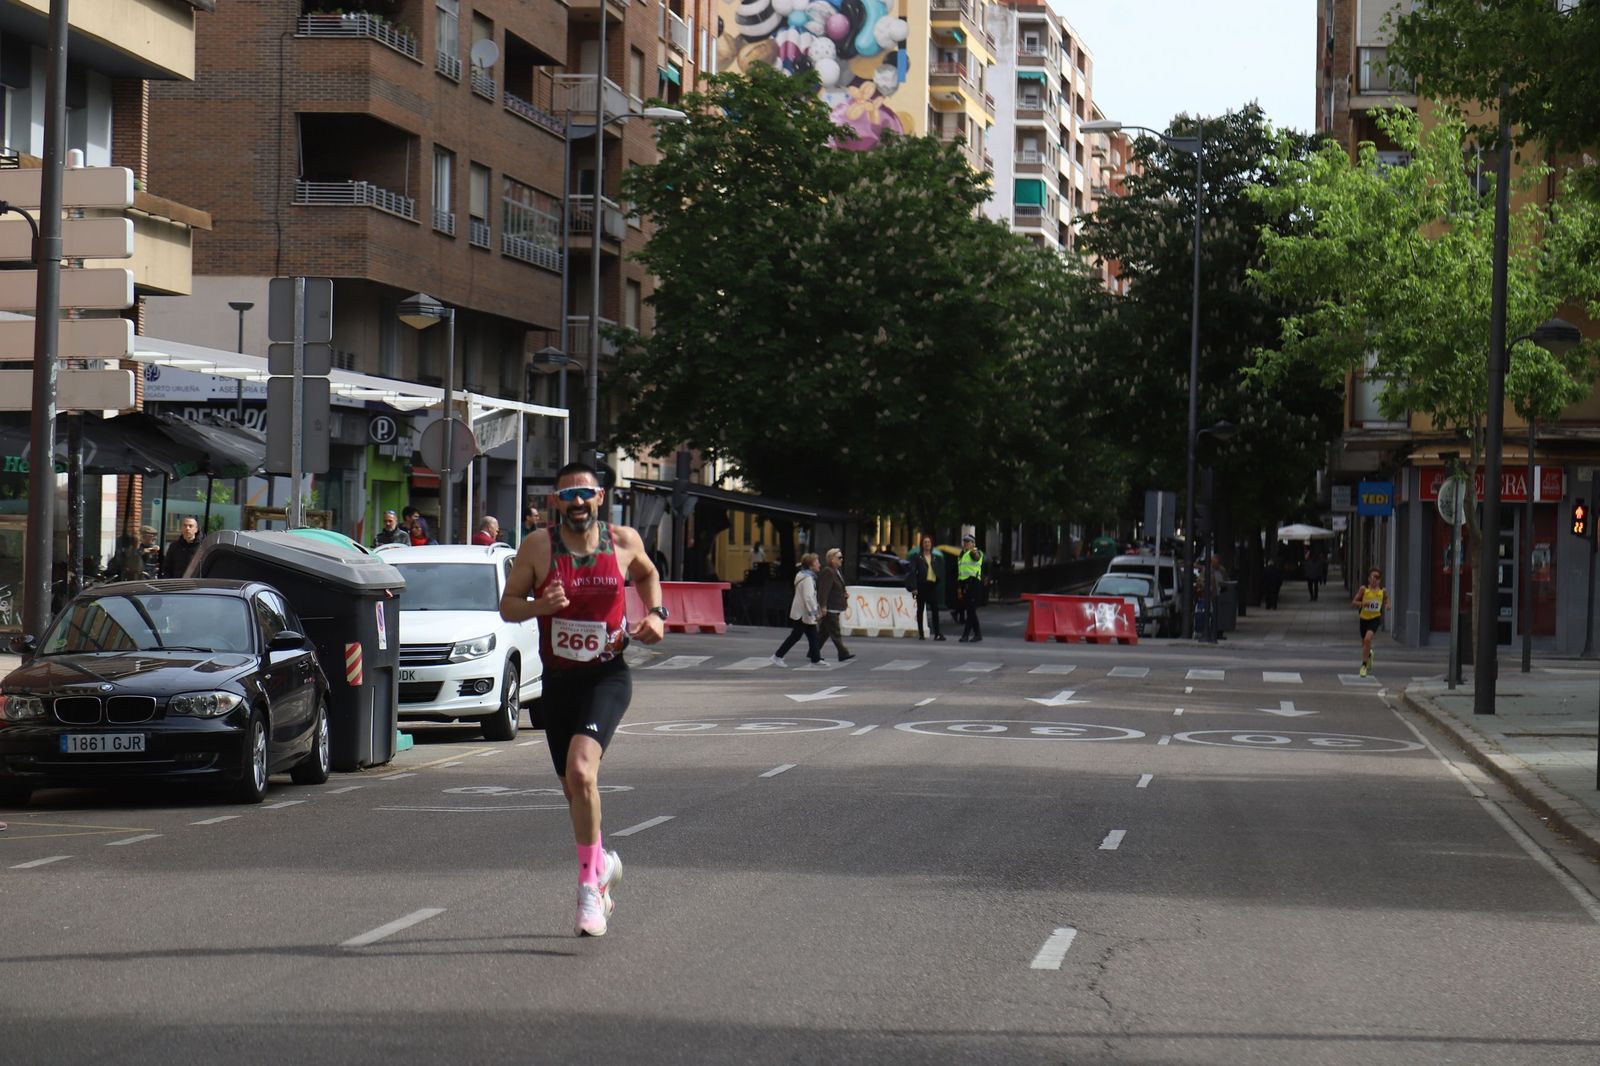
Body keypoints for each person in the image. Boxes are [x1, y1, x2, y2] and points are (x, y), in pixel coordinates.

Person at [499, 461, 666, 938]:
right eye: (567, 496)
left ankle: (588, 888)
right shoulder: (538, 546)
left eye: (585, 494)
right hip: (559, 682)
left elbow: (649, 574)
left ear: (599, 497)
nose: (576, 503)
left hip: (607, 676)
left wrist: (656, 614)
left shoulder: (624, 541)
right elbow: (507, 605)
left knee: (581, 771)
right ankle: (605, 865)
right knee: (574, 790)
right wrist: (538, 607)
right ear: (556, 502)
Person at [771, 552, 823, 666]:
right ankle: (777, 656)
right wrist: (814, 612)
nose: (819, 564)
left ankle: (816, 659)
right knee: (796, 635)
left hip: (803, 612)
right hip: (803, 613)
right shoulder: (808, 578)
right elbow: (808, 597)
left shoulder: (804, 575)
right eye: (817, 562)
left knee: (813, 635)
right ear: (811, 565)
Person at [815, 548, 855, 663]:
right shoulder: (828, 571)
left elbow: (836, 588)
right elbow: (824, 590)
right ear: (832, 559)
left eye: (842, 557)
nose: (842, 560)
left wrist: (843, 594)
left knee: (824, 632)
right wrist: (823, 606)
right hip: (830, 607)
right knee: (835, 632)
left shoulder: (836, 571)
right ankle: (843, 653)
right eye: (839, 558)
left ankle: (813, 651)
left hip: (835, 606)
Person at [1352, 567, 1388, 677]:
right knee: (1364, 644)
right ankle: (1369, 654)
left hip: (1375, 619)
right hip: (1364, 619)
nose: (1374, 579)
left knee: (1368, 639)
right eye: (1372, 577)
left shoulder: (1383, 591)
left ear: (1379, 580)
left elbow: (1386, 599)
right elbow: (1354, 602)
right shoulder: (1364, 590)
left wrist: (1387, 605)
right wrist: (1362, 604)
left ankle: (1363, 666)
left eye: (1376, 577)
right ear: (1368, 579)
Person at [908, 534, 945, 641]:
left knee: (935, 609)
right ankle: (921, 633)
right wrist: (914, 587)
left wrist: (938, 579)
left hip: (932, 585)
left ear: (931, 544)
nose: (927, 544)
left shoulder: (934, 557)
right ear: (922, 544)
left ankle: (937, 633)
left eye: (928, 542)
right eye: (925, 542)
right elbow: (913, 572)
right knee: (920, 609)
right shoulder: (917, 557)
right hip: (921, 585)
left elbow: (937, 570)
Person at [957, 533, 985, 643]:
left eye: (968, 541)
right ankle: (978, 634)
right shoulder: (962, 554)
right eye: (965, 541)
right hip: (965, 584)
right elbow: (960, 572)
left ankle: (966, 635)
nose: (966, 543)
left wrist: (974, 552)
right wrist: (959, 588)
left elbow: (976, 556)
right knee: (970, 610)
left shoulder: (976, 552)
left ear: (973, 543)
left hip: (973, 583)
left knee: (971, 611)